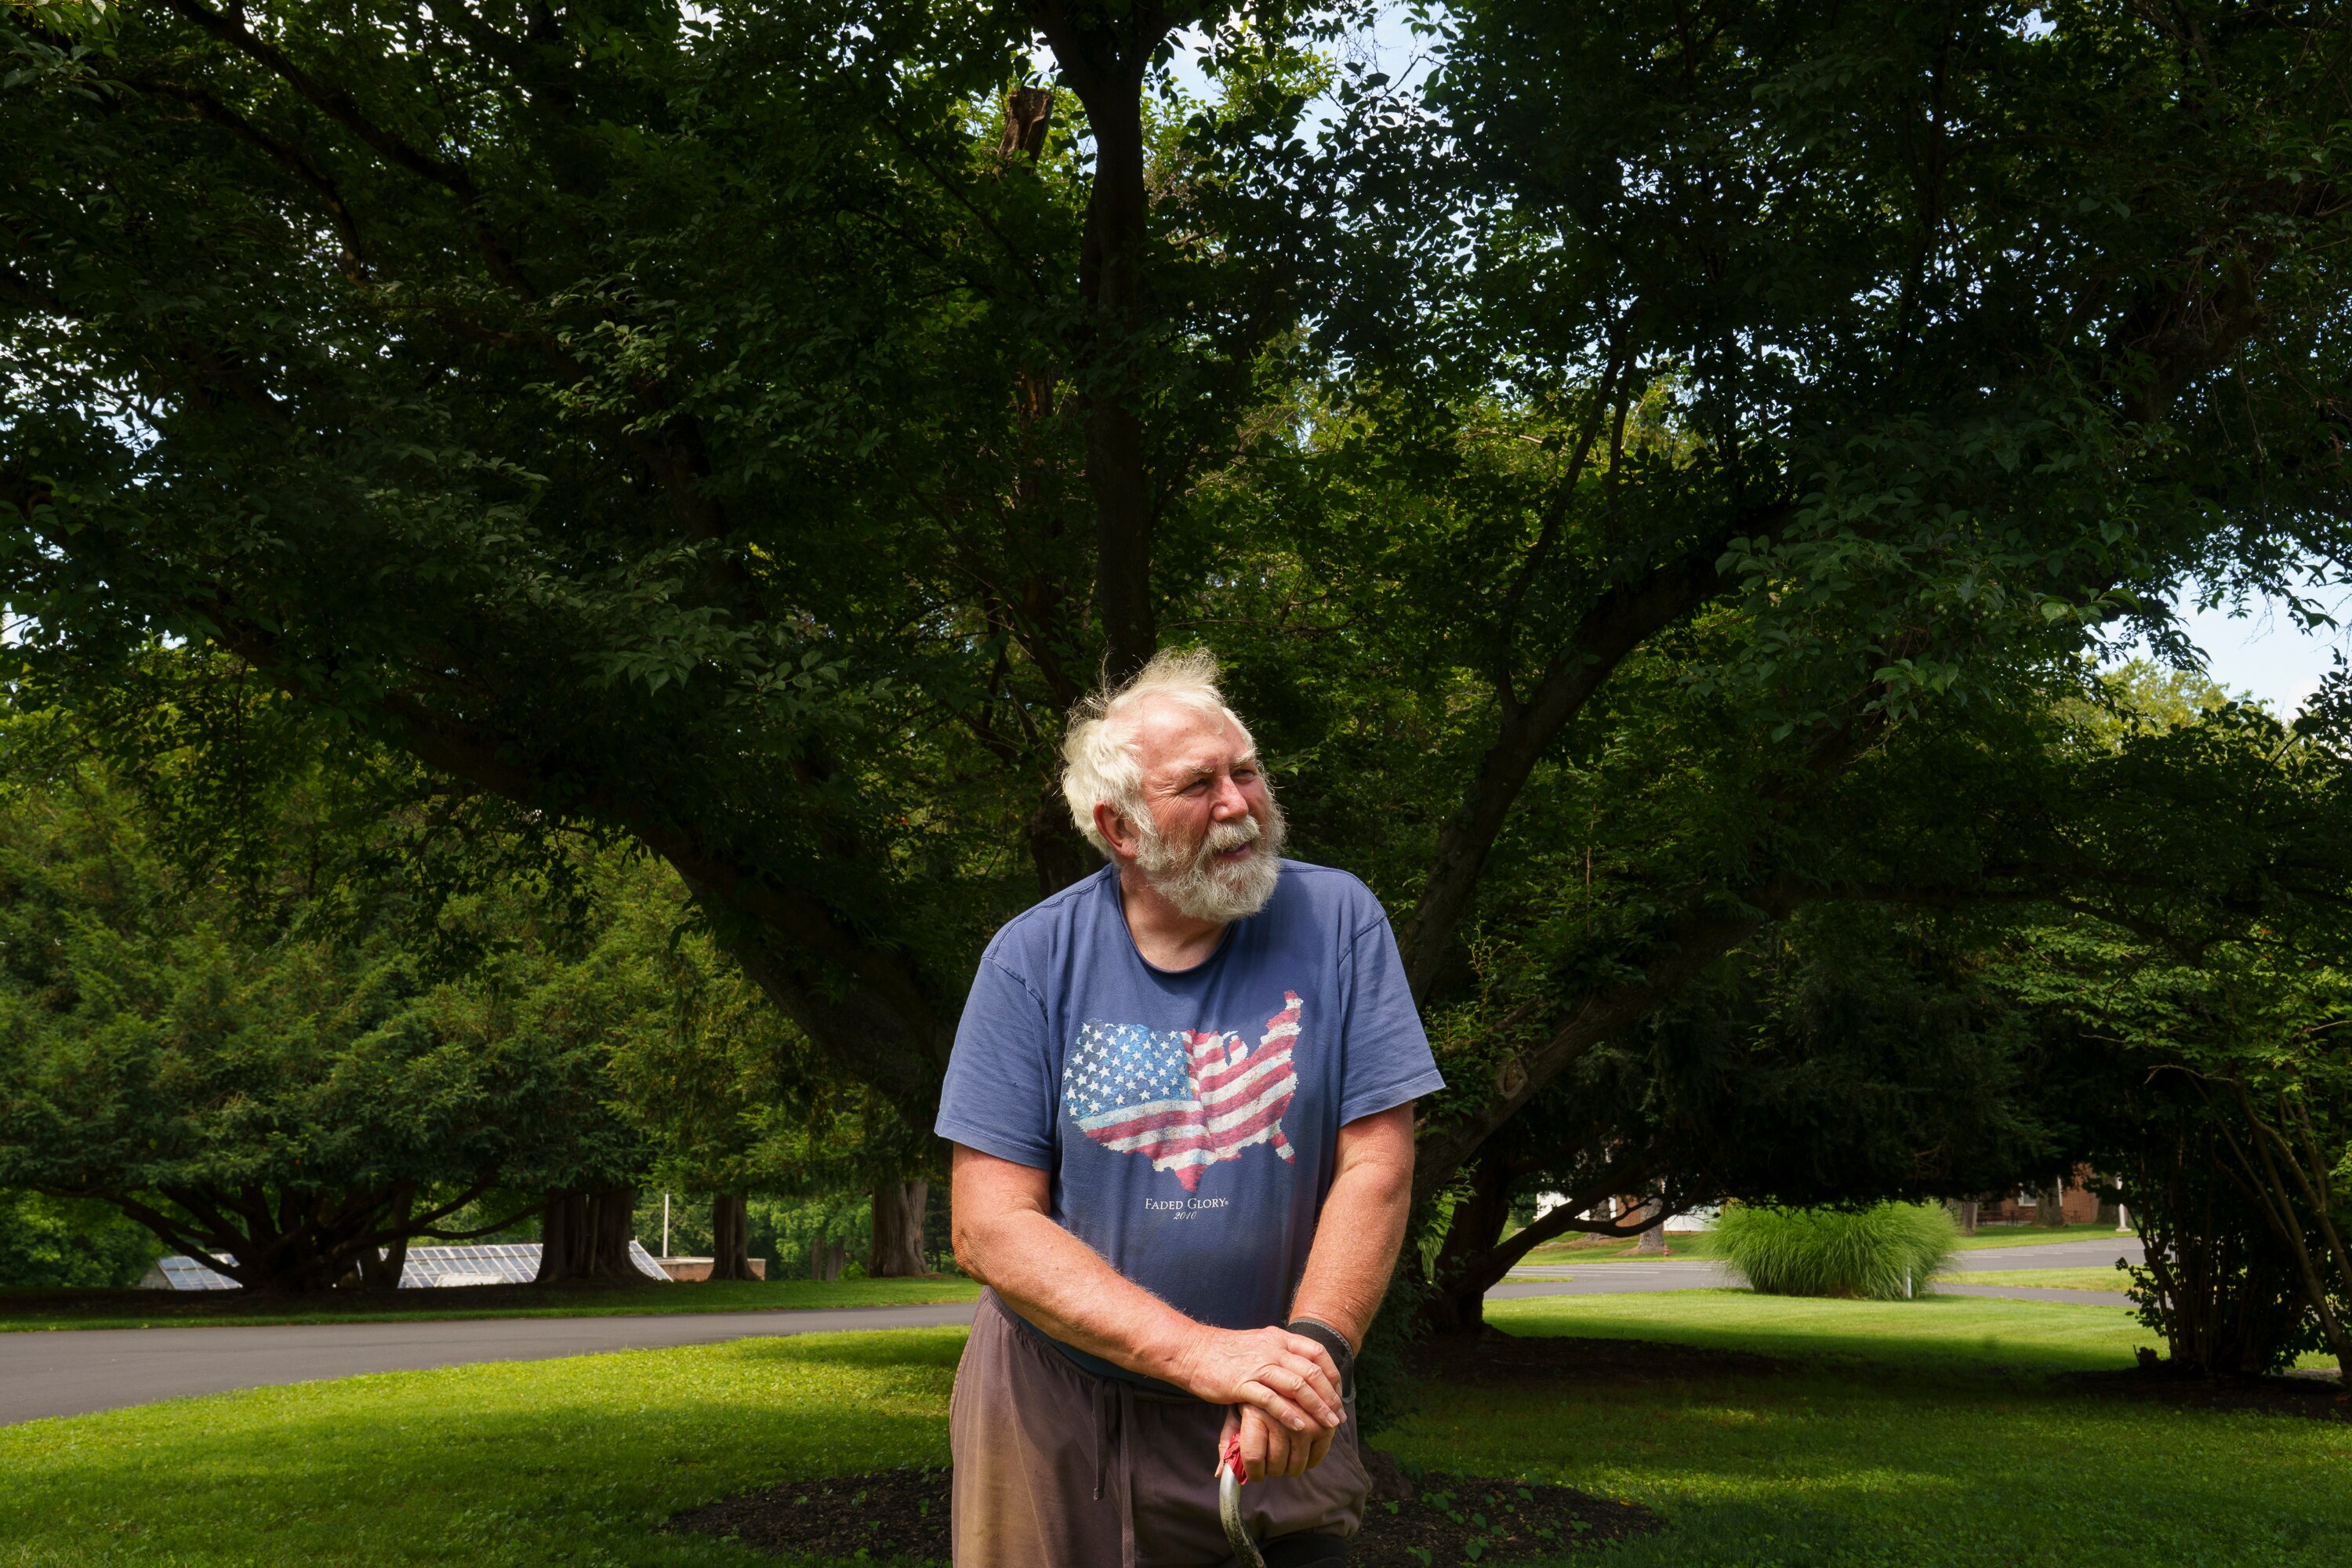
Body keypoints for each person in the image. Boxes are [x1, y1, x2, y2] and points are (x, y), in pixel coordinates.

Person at [938, 649, 1444, 1567]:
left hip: (1279, 1413)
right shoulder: (1030, 959)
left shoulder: (1340, 920)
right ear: (1120, 828)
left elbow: (1377, 1162)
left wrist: (1305, 1360)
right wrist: (1206, 1355)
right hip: (1057, 1416)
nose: (1239, 804)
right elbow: (988, 1226)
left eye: (1245, 770)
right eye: (1198, 784)